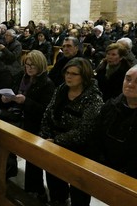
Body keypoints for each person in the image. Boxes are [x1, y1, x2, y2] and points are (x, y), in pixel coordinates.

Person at [39, 57, 103, 206]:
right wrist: (46, 135)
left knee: (78, 189)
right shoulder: (62, 89)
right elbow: (48, 113)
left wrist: (57, 140)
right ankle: (58, 200)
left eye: (74, 74)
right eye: (67, 72)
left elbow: (85, 130)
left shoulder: (93, 98)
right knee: (54, 178)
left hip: (78, 149)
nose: (69, 76)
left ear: (85, 76)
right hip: (54, 143)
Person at [1, 50, 55, 204]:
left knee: (33, 160)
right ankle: (7, 172)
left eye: (33, 65)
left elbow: (45, 109)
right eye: (27, 65)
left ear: (40, 65)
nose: (29, 68)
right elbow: (15, 94)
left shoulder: (47, 83)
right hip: (18, 119)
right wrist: (7, 99)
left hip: (34, 124)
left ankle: (36, 190)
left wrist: (25, 101)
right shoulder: (21, 77)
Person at [92, 65, 137, 179]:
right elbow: (97, 135)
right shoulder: (110, 106)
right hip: (104, 167)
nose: (130, 84)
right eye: (128, 79)